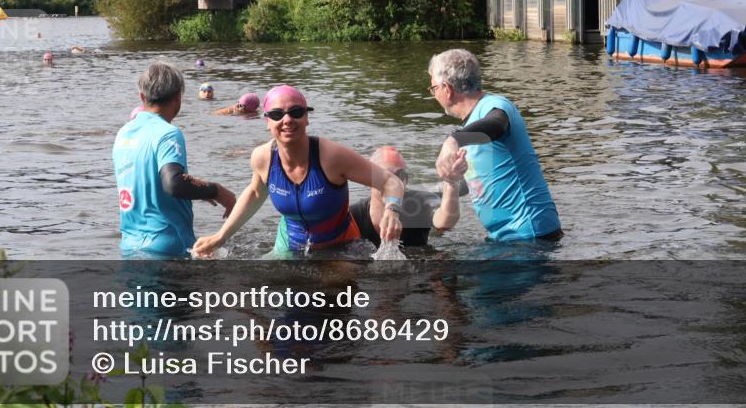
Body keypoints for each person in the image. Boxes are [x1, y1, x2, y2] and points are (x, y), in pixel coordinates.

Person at [192, 85, 404, 257]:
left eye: (296, 112)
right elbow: (256, 192)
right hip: (288, 245)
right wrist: (220, 237)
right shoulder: (262, 157)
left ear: (306, 118)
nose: (287, 120)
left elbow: (391, 182)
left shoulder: (331, 157)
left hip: (340, 248)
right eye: (277, 114)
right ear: (267, 121)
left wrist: (392, 210)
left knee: (329, 292)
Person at [429, 48, 562, 242]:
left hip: (531, 236)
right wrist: (445, 185)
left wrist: (453, 140)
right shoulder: (471, 127)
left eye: (434, 88)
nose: (434, 95)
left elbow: (497, 124)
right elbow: (476, 187)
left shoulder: (495, 106)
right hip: (506, 238)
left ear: (447, 89)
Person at [113, 62, 237, 258]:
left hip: (130, 247)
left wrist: (195, 188)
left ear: (142, 97)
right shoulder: (168, 133)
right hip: (168, 247)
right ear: (179, 96)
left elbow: (147, 180)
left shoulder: (123, 133)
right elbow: (174, 184)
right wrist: (217, 191)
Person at [349, 146, 462, 248]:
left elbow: (445, 222)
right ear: (367, 182)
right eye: (385, 177)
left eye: (400, 175)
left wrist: (451, 183)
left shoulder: (419, 203)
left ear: (406, 180)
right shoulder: (353, 215)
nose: (393, 184)